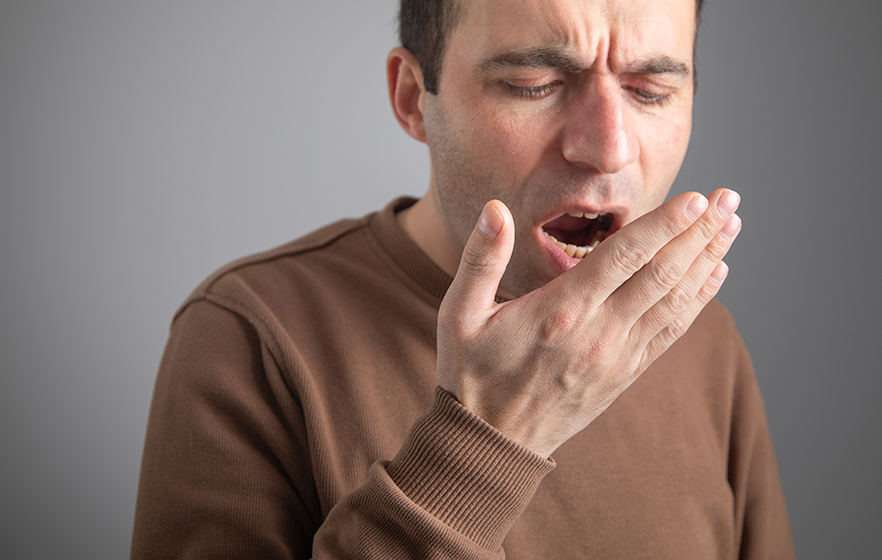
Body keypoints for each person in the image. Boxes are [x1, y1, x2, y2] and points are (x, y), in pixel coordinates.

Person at [131, 0, 795, 558]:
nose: (608, 145)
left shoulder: (699, 333)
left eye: (651, 91)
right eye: (534, 82)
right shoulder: (249, 334)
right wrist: (486, 441)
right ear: (412, 99)